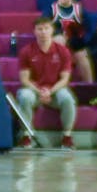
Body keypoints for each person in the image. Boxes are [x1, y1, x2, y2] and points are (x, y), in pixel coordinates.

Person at [14, 18, 77, 149]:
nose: (43, 32)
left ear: (52, 30)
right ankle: (27, 135)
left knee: (68, 99)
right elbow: (24, 79)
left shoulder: (63, 51)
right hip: (34, 90)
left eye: (46, 28)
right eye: (40, 29)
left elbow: (65, 79)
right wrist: (40, 91)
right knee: (25, 97)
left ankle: (67, 136)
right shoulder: (26, 51)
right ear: (34, 31)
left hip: (55, 89)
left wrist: (50, 91)